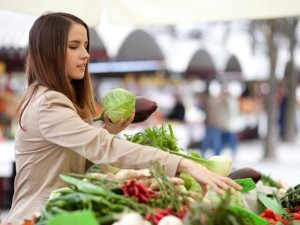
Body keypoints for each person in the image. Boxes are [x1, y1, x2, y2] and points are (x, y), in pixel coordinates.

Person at [5, 12, 241, 224]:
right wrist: (183, 163)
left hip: (60, 214)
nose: (86, 54)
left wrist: (106, 129)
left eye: (85, 45)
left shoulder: (50, 98)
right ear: (49, 52)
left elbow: (76, 159)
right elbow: (102, 148)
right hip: (37, 217)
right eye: (74, 46)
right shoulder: (48, 103)